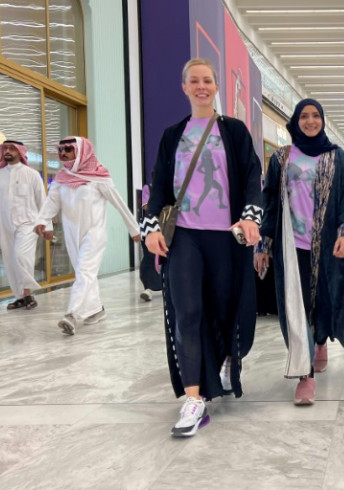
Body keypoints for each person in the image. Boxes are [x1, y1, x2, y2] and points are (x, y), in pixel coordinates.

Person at [141, 58, 262, 438]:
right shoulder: (172, 134)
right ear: (184, 87)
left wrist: (251, 218)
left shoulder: (235, 131)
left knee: (226, 310)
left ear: (216, 86)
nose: (201, 86)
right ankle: (193, 399)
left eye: (207, 80)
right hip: (186, 237)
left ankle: (224, 363)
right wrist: (149, 230)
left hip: (226, 237)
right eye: (194, 81)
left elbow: (251, 178)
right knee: (187, 311)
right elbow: (159, 185)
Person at [254, 98, 344, 405]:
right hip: (291, 246)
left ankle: (321, 339)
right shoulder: (282, 158)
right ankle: (305, 373)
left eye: (315, 116)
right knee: (293, 308)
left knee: (325, 301)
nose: (310, 121)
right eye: (304, 116)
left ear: (322, 120)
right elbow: (270, 203)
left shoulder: (337, 156)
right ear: (295, 121)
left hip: (327, 246)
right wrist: (264, 244)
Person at [35, 136, 140, 334]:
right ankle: (96, 310)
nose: (63, 153)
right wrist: (42, 222)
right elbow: (51, 203)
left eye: (68, 149)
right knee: (85, 275)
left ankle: (72, 315)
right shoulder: (60, 179)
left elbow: (119, 204)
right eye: (60, 149)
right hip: (72, 234)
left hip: (94, 233)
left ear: (81, 151)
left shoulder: (99, 176)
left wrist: (134, 229)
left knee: (84, 272)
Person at [0, 140, 46, 310]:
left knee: (21, 256)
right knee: (9, 260)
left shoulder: (31, 174)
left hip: (28, 224)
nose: (7, 151)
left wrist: (46, 225)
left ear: (21, 152)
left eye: (12, 149)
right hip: (5, 225)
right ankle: (20, 296)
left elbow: (43, 202)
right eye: (5, 148)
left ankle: (28, 293)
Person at [138, 181, 162, 301]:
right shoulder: (148, 188)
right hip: (151, 226)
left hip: (168, 226)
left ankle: (167, 285)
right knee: (149, 257)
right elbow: (146, 206)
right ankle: (148, 288)